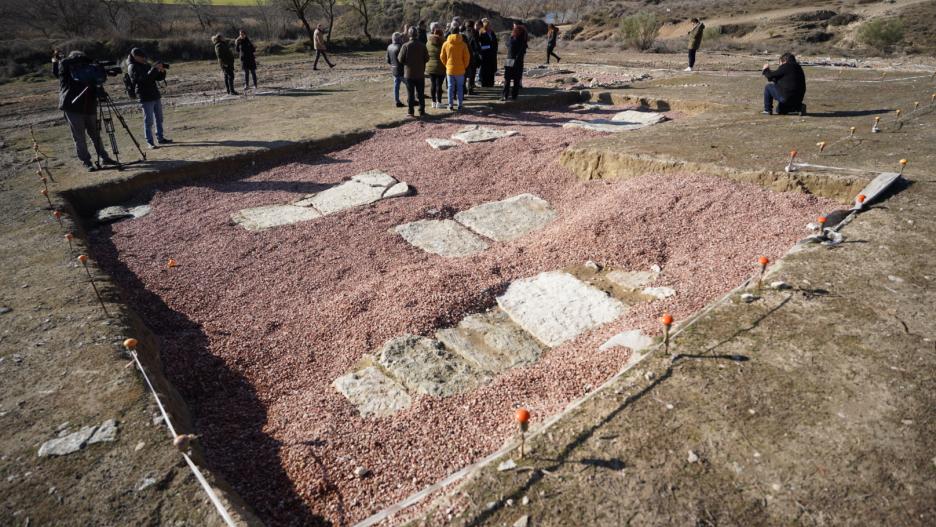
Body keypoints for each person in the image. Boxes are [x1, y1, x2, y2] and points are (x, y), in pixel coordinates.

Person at [52, 50, 117, 171]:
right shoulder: (66, 69)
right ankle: (86, 161)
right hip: (73, 107)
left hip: (89, 105)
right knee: (79, 136)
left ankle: (104, 157)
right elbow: (63, 63)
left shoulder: (88, 70)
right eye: (79, 59)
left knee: (95, 133)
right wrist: (83, 59)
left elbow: (98, 81)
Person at [127, 48, 171, 149]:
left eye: (144, 56)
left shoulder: (145, 65)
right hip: (145, 96)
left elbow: (157, 78)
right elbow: (143, 80)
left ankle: (161, 138)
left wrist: (161, 71)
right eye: (141, 57)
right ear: (135, 56)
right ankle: (150, 142)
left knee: (159, 118)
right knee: (149, 121)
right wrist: (154, 69)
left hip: (154, 94)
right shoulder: (132, 67)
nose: (143, 58)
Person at [398, 26, 429, 117]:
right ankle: (422, 111)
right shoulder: (422, 45)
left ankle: (410, 111)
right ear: (417, 34)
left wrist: (407, 63)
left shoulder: (405, 46)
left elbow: (400, 59)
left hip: (409, 73)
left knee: (410, 94)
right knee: (420, 94)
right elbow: (427, 58)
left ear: (409, 35)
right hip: (420, 73)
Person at [439, 23, 470, 111]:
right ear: (459, 32)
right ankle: (460, 105)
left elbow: (442, 56)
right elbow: (467, 57)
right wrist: (464, 66)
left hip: (450, 69)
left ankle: (450, 104)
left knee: (450, 87)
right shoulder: (463, 44)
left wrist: (446, 64)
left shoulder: (446, 44)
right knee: (460, 87)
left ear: (450, 32)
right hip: (460, 69)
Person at [502, 24, 528, 101]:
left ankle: (505, 95)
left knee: (507, 79)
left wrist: (511, 37)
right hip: (518, 61)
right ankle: (514, 96)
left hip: (510, 60)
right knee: (516, 80)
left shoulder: (512, 39)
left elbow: (507, 44)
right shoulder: (523, 41)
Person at [426, 24, 446, 109]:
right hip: (441, 67)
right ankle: (439, 102)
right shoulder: (444, 43)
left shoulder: (428, 43)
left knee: (433, 84)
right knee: (439, 85)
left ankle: (433, 102)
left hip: (430, 67)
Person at [462, 20, 481, 96]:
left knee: (464, 73)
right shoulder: (474, 33)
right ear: (473, 26)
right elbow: (476, 45)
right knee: (472, 73)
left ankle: (463, 89)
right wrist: (479, 52)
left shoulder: (462, 33)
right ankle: (470, 89)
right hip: (472, 55)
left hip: (463, 55)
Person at [478, 18, 498, 87]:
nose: (490, 26)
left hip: (492, 54)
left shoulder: (492, 32)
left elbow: (495, 42)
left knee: (491, 69)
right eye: (489, 25)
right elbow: (479, 44)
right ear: (485, 26)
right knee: (485, 70)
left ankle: (491, 83)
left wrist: (494, 49)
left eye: (490, 25)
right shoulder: (481, 32)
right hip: (485, 54)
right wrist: (488, 47)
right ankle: (484, 83)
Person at [387, 32, 405, 107]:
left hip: (394, 70)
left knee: (396, 86)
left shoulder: (389, 46)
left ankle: (397, 101)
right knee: (409, 85)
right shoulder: (401, 47)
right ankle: (411, 100)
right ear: (398, 39)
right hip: (401, 70)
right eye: (400, 37)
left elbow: (388, 60)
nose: (402, 39)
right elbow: (404, 59)